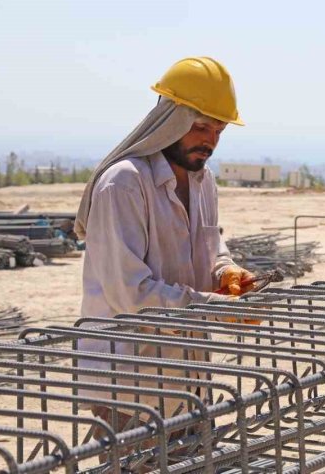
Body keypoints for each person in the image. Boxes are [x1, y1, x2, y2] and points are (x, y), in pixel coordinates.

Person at [74, 56, 258, 440]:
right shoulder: (123, 184)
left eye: (219, 130)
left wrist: (226, 272)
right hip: (128, 381)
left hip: (187, 377)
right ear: (170, 119)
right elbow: (129, 293)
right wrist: (217, 308)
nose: (210, 140)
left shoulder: (204, 182)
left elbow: (211, 247)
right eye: (201, 126)